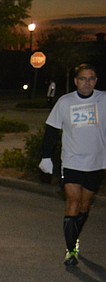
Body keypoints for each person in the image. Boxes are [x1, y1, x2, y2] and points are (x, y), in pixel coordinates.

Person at [39, 63, 105, 266]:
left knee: (85, 205)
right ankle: (71, 250)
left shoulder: (103, 99)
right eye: (83, 79)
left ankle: (74, 237)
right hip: (71, 161)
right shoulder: (65, 102)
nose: (87, 83)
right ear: (76, 81)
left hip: (97, 162)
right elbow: (51, 131)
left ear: (96, 81)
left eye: (91, 78)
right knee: (72, 202)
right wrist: (46, 157)